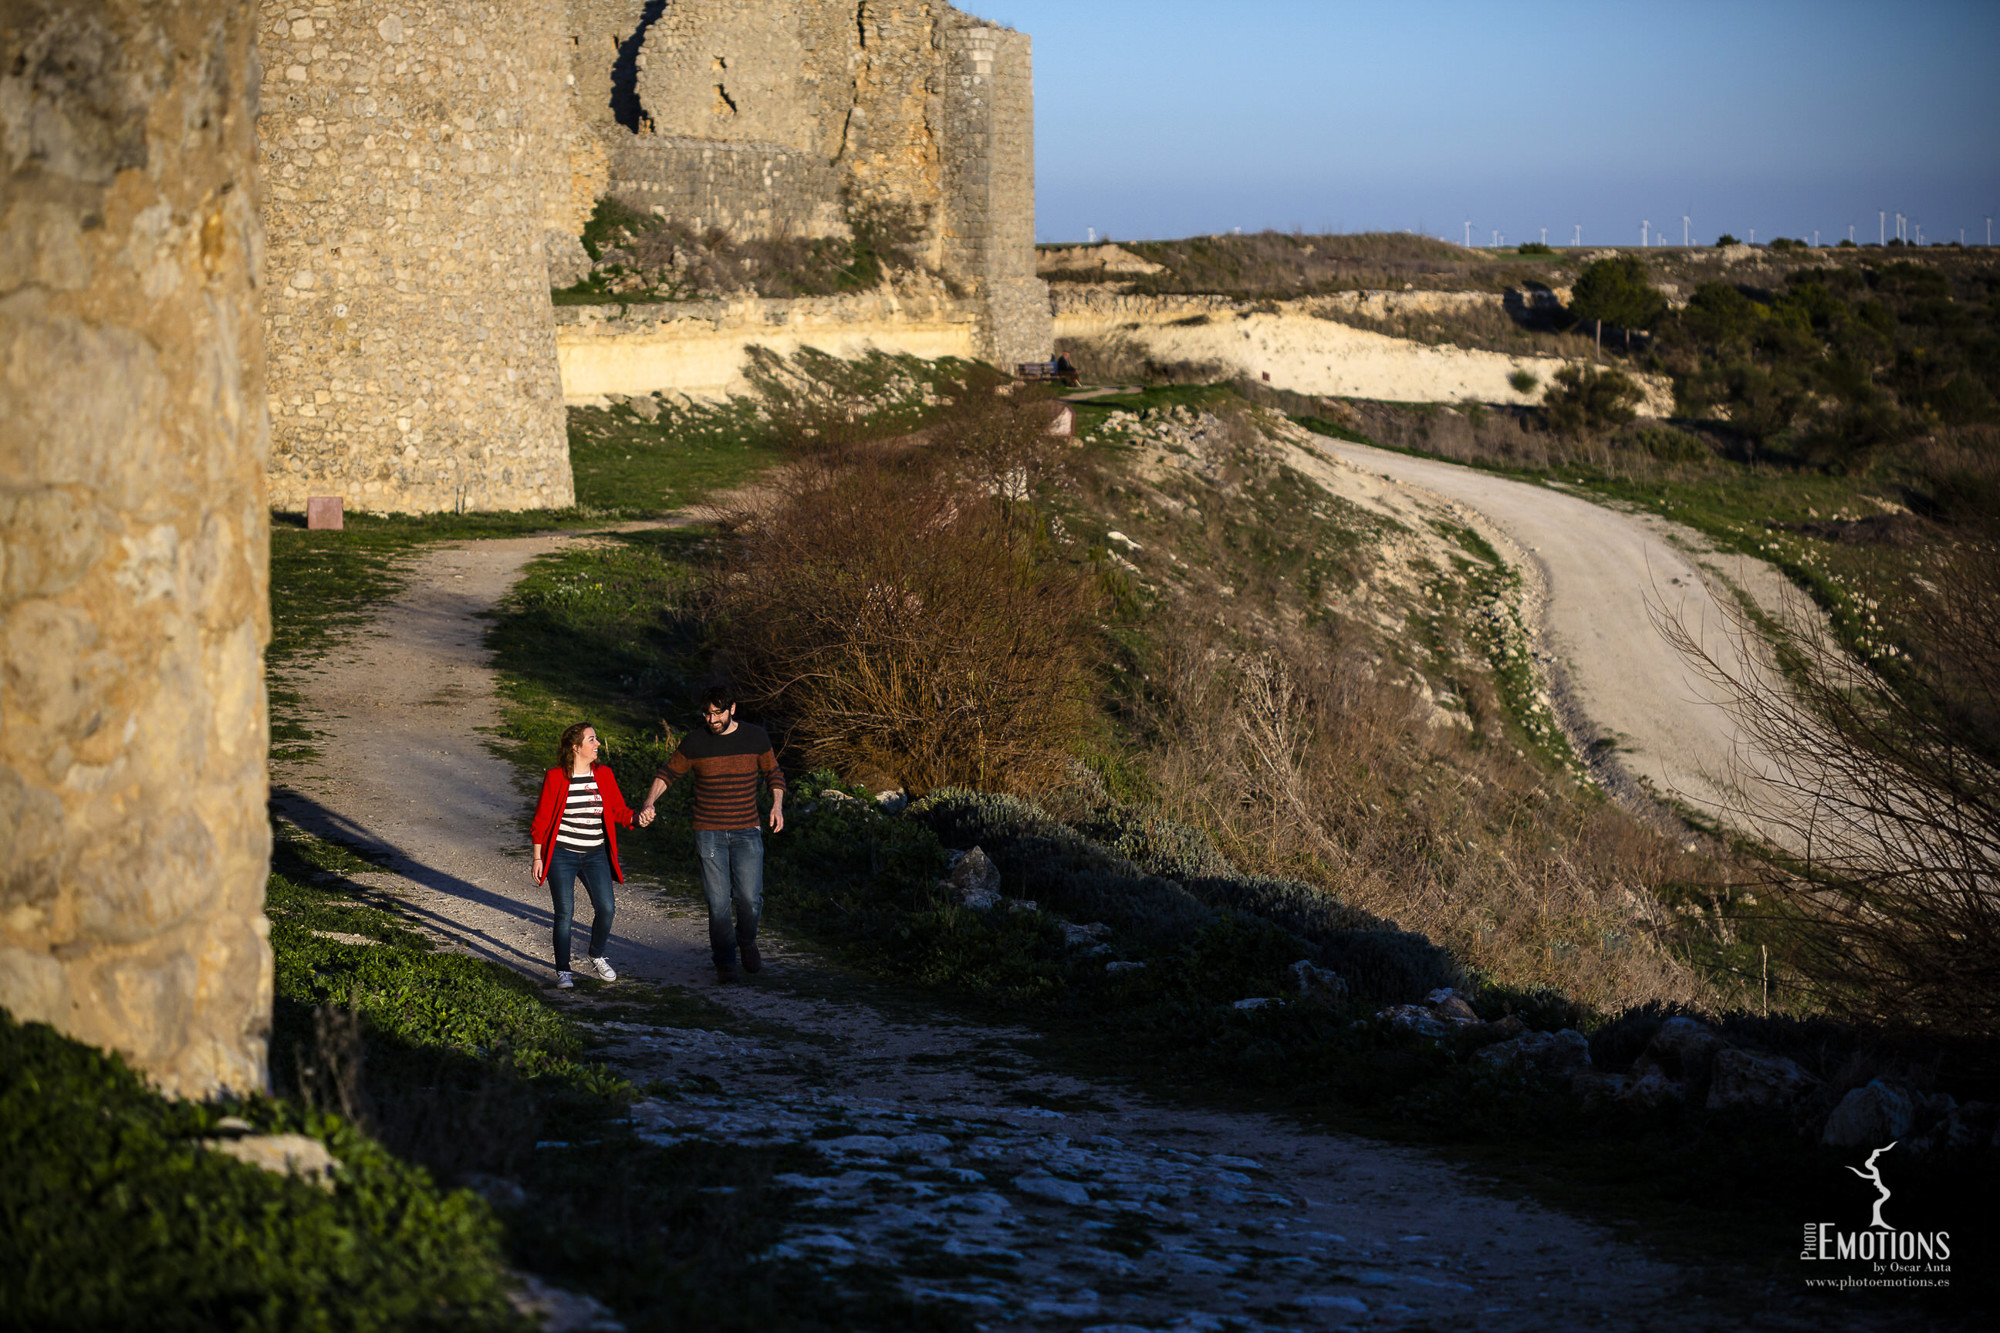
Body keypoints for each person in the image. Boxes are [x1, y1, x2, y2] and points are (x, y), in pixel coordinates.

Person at [636, 684, 785, 982]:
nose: (712, 720)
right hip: (708, 832)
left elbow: (773, 773)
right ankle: (725, 961)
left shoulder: (755, 737)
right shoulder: (695, 742)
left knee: (749, 898)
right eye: (707, 714)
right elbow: (667, 773)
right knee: (718, 903)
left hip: (747, 830)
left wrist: (777, 806)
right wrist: (649, 802)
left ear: (732, 709)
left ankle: (746, 940)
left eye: (718, 713)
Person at [530, 722, 635, 989]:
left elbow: (618, 810)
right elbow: (541, 821)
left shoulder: (604, 775)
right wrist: (538, 857)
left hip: (595, 854)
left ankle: (596, 955)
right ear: (576, 747)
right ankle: (563, 971)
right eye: (592, 740)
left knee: (607, 908)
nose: (597, 744)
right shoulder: (556, 777)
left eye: (596, 739)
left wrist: (636, 818)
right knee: (564, 912)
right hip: (562, 855)